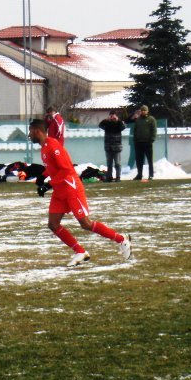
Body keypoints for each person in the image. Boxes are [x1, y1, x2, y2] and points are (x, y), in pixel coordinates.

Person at [28, 119, 132, 267]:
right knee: (53, 224)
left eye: (30, 131)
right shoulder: (44, 147)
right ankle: (80, 252)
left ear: (37, 131)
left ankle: (122, 239)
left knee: (85, 224)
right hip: (60, 191)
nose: (29, 135)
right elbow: (53, 166)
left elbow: (66, 169)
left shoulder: (53, 145)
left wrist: (48, 185)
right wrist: (43, 176)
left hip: (71, 188)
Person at [99, 110, 126, 182]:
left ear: (116, 116)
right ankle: (109, 177)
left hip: (117, 146)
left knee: (117, 163)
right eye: (111, 115)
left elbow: (123, 127)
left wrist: (118, 120)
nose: (112, 117)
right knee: (109, 163)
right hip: (108, 146)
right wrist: (106, 120)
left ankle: (118, 177)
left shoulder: (119, 123)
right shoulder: (107, 123)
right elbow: (100, 125)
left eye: (113, 115)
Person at [132, 105, 157, 180]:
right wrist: (135, 140)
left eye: (144, 110)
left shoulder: (151, 119)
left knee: (150, 160)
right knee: (139, 160)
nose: (143, 112)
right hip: (139, 143)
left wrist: (151, 140)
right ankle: (139, 174)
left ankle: (151, 175)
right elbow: (135, 130)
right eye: (142, 110)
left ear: (147, 111)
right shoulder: (138, 120)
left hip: (148, 143)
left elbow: (154, 130)